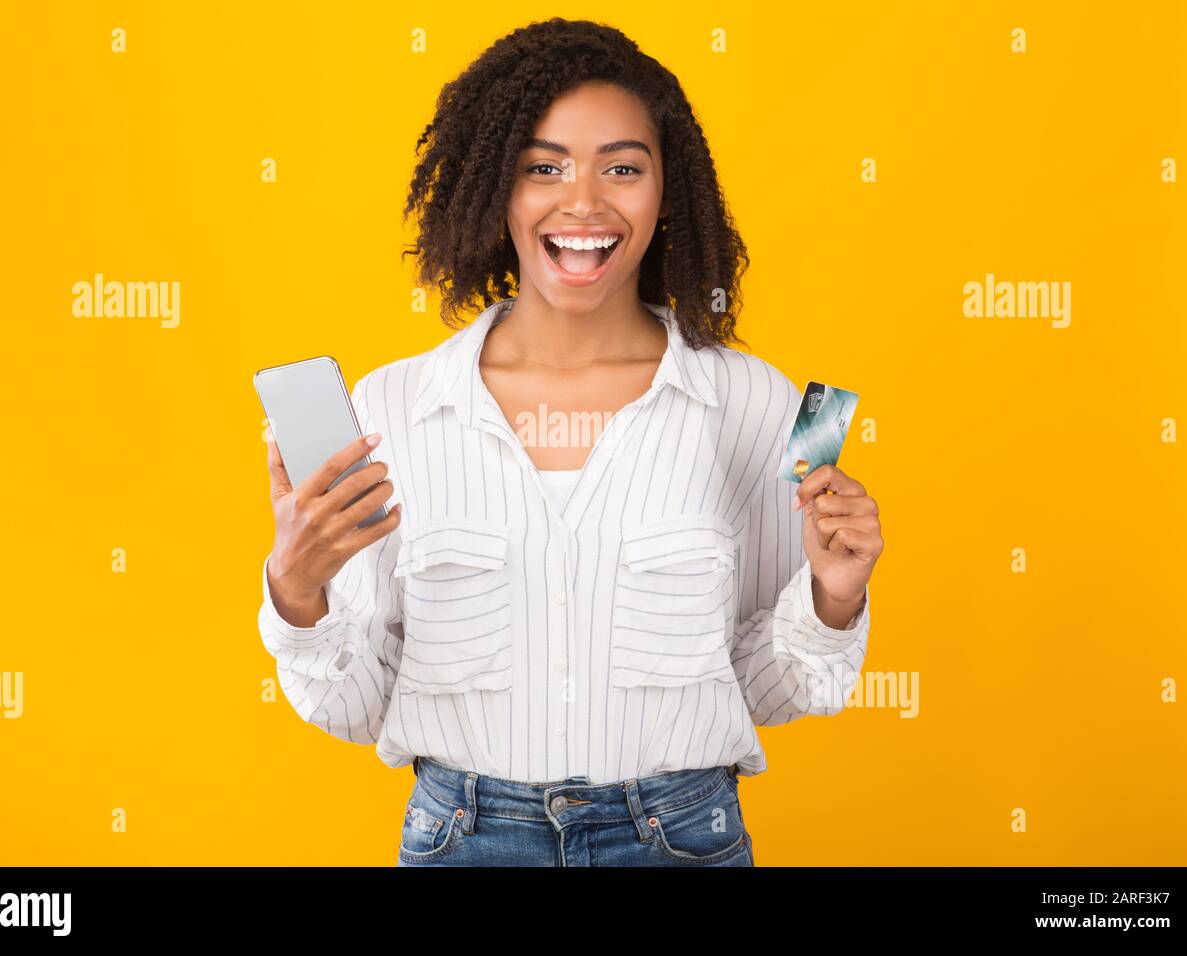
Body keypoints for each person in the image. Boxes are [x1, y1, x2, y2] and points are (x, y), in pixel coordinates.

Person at [258, 18, 884, 867]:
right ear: (493, 191)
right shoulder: (392, 408)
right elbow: (360, 706)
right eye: (542, 167)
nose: (583, 203)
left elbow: (775, 689)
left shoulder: (754, 403)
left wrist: (833, 598)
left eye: (621, 168)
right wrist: (299, 595)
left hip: (680, 839)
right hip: (463, 839)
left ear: (669, 192)